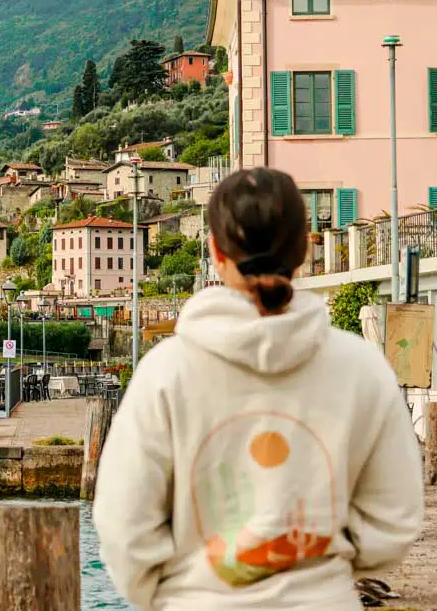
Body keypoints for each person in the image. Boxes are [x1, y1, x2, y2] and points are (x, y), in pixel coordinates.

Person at [93, 168, 423, 610]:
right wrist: (321, 564)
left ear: (214, 251)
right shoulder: (363, 368)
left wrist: (178, 592)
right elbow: (396, 522)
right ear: (305, 248)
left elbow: (122, 527)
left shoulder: (165, 373)